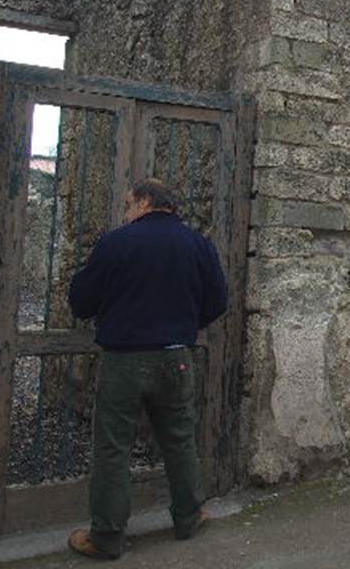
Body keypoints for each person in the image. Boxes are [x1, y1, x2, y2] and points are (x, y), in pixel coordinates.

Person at [66, 178, 227, 559]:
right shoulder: (198, 245)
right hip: (176, 355)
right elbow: (218, 301)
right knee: (179, 439)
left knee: (112, 448)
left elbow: (82, 302)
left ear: (144, 202)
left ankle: (107, 536)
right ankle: (188, 516)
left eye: (128, 204)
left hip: (125, 359)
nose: (126, 211)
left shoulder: (117, 243)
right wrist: (184, 323)